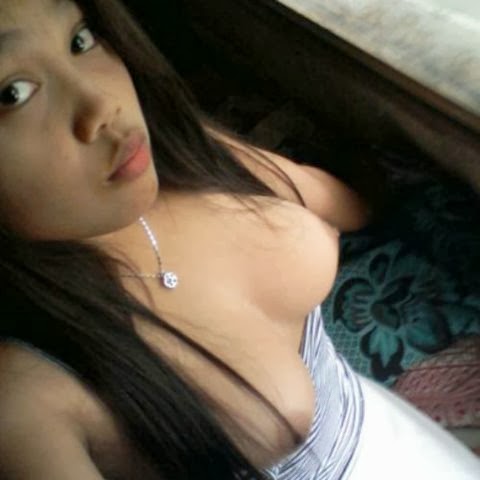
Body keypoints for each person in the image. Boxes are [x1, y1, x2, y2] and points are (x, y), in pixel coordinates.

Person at [0, 0, 478, 479]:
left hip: (405, 439)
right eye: (13, 93)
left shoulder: (176, 158)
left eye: (80, 39)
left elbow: (337, 200)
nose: (103, 105)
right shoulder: (24, 405)